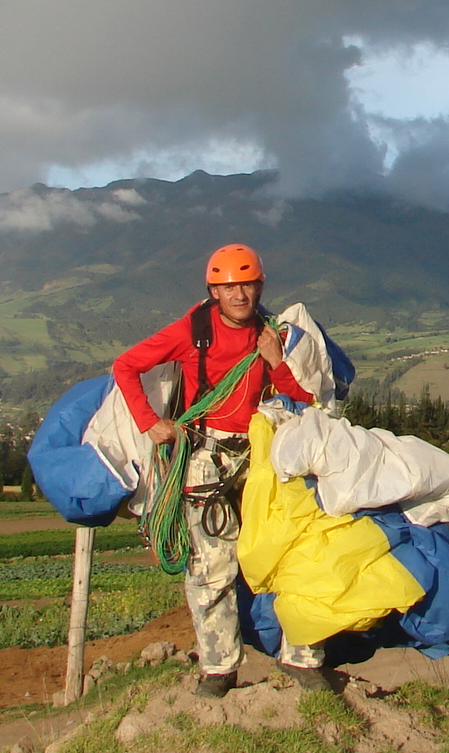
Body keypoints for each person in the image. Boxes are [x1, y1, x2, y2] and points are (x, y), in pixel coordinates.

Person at [111, 243, 331, 697]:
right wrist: (150, 424)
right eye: (228, 286)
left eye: (246, 284)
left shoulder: (274, 335)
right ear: (214, 290)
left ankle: (302, 658)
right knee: (211, 567)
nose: (238, 294)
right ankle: (219, 668)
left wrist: (276, 362)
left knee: (291, 553)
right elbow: (126, 365)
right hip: (207, 455)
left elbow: (303, 402)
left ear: (260, 286)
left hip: (264, 456)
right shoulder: (192, 332)